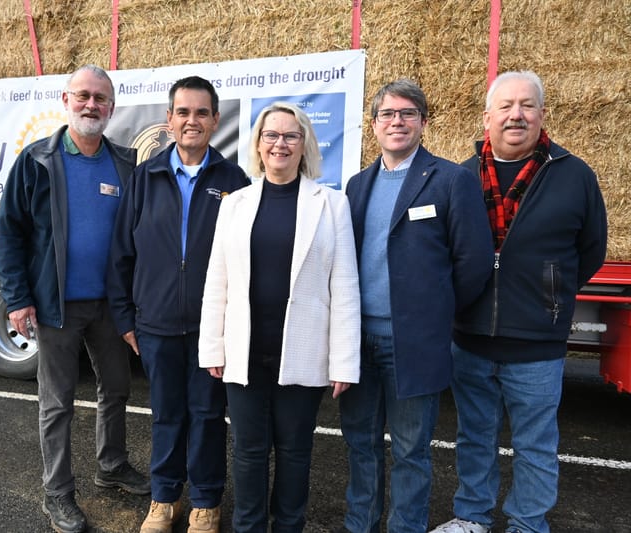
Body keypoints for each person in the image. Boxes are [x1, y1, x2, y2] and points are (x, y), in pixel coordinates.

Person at [431, 71, 608, 533]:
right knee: (474, 437)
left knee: (535, 444)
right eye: (506, 106)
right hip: (469, 338)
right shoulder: (460, 177)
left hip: (537, 343)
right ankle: (472, 516)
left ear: (542, 114)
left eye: (527, 105)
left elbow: (590, 250)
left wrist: (550, 293)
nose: (517, 114)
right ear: (487, 116)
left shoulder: (574, 175)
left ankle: (528, 523)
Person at [0, 65, 150, 533]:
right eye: (83, 96)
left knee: (117, 389)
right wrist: (18, 299)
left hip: (111, 306)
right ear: (66, 100)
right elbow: (9, 233)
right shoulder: (37, 160)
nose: (91, 105)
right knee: (57, 402)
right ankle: (57, 493)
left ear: (112, 108)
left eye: (100, 99)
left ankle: (111, 465)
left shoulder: (126, 163)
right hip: (55, 305)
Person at [339, 79, 495, 533]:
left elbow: (473, 261)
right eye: (388, 114)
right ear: (373, 126)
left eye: (408, 113)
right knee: (360, 444)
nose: (397, 121)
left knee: (411, 450)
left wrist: (433, 312)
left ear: (424, 122)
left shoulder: (450, 180)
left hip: (414, 341)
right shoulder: (357, 185)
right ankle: (359, 524)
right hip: (358, 341)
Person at [199, 101, 361, 532]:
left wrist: (344, 361)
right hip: (245, 352)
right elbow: (217, 282)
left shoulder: (332, 205)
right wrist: (212, 347)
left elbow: (344, 288)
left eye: (290, 135)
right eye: (271, 135)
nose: (280, 144)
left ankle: (289, 525)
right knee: (249, 453)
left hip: (303, 353)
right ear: (258, 143)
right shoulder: (235, 204)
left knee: (294, 452)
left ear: (304, 142)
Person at [107, 75, 249, 533]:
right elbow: (121, 254)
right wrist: (127, 319)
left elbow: (247, 258)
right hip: (157, 324)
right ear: (168, 120)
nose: (192, 121)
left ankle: (206, 502)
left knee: (208, 416)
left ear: (215, 120)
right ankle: (164, 498)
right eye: (183, 112)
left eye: (201, 113)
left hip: (213, 329)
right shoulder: (144, 178)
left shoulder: (234, 180)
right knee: (167, 414)